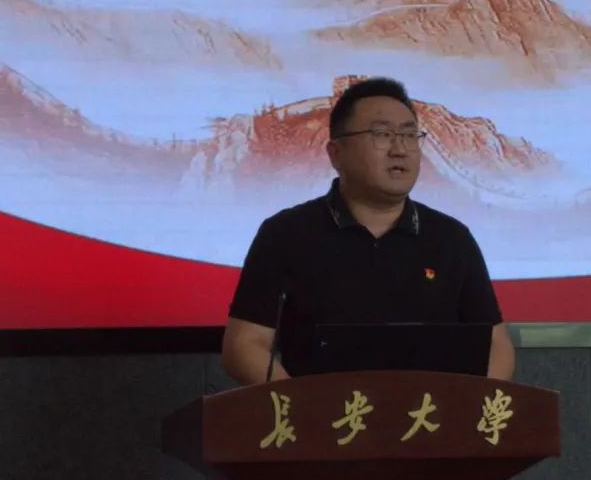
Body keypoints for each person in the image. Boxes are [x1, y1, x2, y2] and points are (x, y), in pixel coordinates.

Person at [221, 77, 515, 384]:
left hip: (431, 412)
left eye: (409, 135)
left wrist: (469, 405)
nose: (400, 149)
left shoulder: (451, 239)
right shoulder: (286, 234)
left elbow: (496, 346)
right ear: (336, 153)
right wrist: (298, 406)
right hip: (323, 413)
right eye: (382, 134)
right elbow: (246, 344)